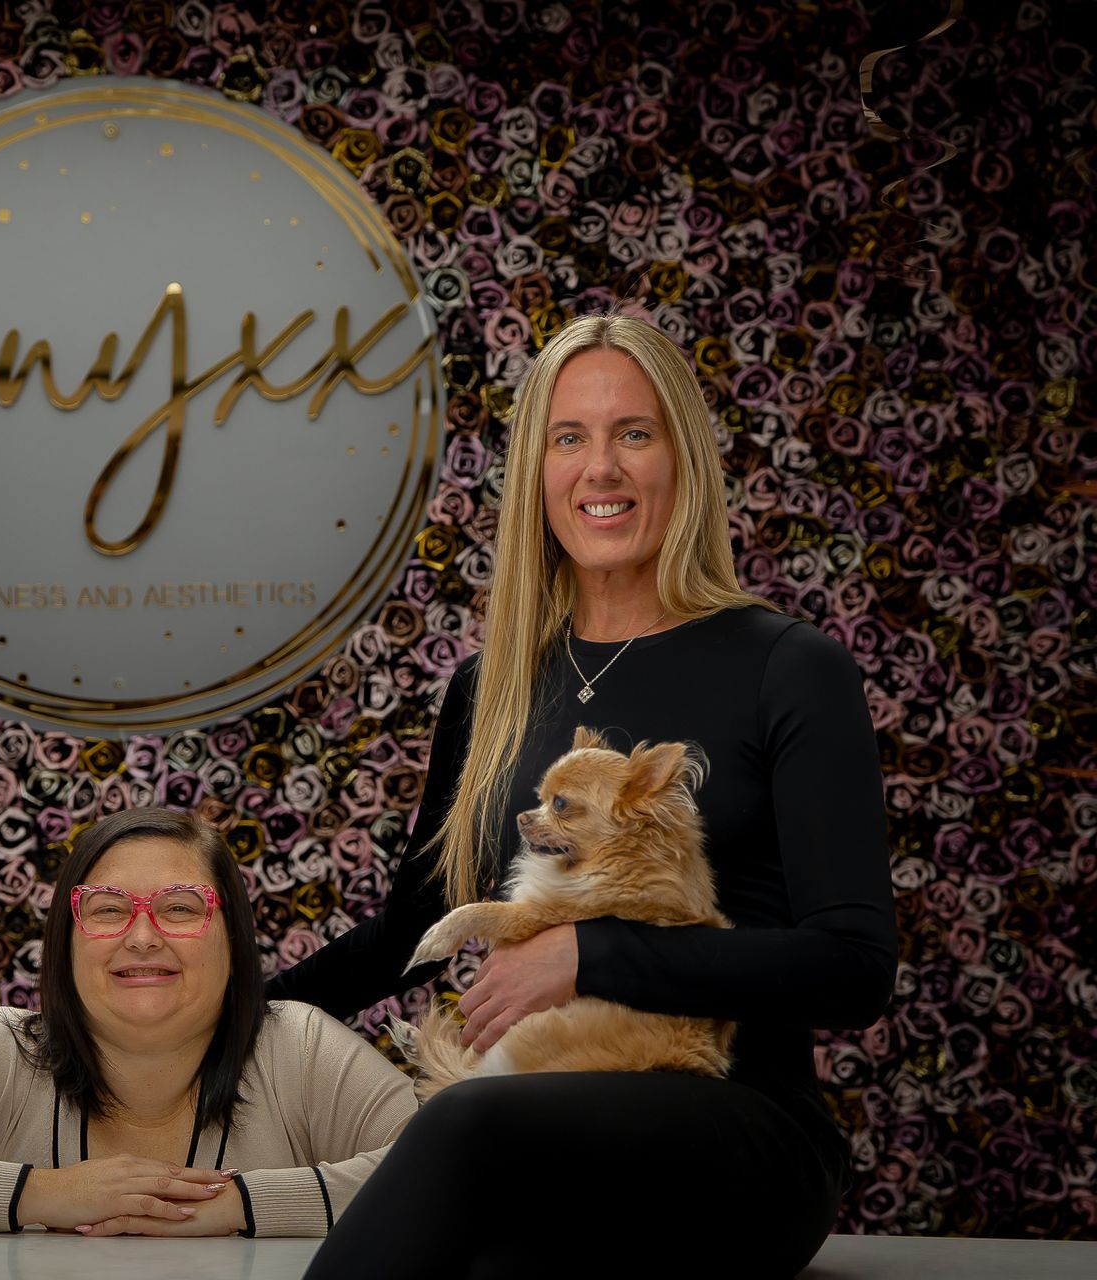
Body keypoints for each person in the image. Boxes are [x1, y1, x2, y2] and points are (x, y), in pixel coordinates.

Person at [275, 315, 896, 1277]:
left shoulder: (789, 667)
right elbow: (416, 923)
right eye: (570, 438)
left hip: (736, 1127)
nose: (599, 468)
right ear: (537, 472)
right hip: (546, 1112)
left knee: (467, 1119)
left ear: (681, 460)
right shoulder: (491, 684)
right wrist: (237, 1016)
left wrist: (590, 955)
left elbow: (852, 969)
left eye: (633, 434)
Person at [0, 807, 418, 1237]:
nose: (141, 936)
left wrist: (240, 1204)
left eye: (180, 908)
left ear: (233, 939)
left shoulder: (298, 1048)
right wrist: (40, 1193)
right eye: (108, 910)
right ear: (67, 940)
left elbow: (461, 1175)